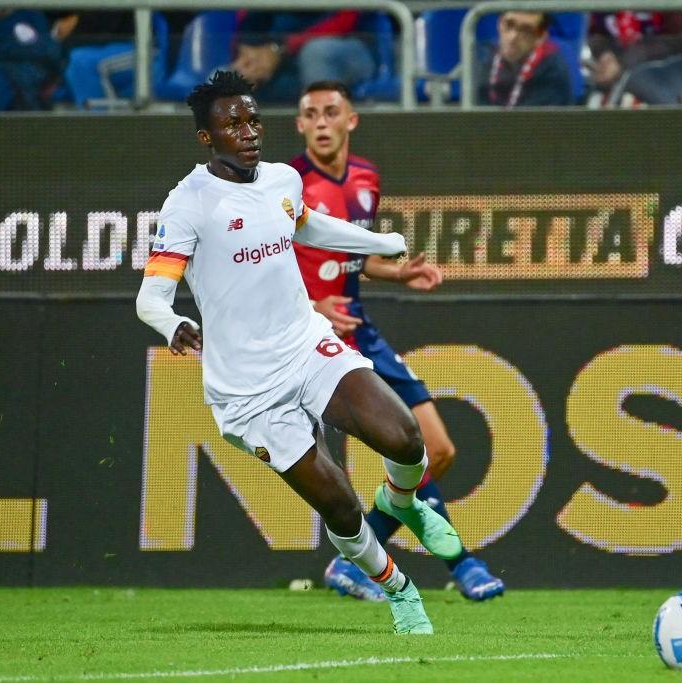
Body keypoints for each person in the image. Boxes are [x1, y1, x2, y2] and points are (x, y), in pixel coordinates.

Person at [136, 70, 462, 635]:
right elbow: (151, 296)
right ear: (206, 138)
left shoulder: (283, 179)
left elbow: (309, 228)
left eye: (253, 119)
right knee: (339, 505)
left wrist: (380, 243)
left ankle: (405, 502)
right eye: (231, 123)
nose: (247, 131)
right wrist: (172, 323)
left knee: (406, 438)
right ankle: (399, 590)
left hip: (307, 346)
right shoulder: (188, 203)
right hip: (248, 392)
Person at [291, 81, 506, 602]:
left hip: (358, 326)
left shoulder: (366, 177)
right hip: (308, 335)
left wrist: (396, 272)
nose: (321, 122)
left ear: (351, 120)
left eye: (330, 112)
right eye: (310, 114)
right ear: (299, 126)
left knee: (438, 449)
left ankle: (356, 562)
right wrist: (311, 307)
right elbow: (262, 260)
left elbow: (349, 255)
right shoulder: (287, 185)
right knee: (390, 449)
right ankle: (462, 563)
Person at [233, 11, 375, 104]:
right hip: (280, 55)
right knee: (223, 78)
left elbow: (346, 21)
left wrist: (280, 49)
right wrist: (249, 56)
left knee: (315, 54)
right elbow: (248, 21)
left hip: (348, 48)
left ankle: (325, 144)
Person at [587, 11, 682, 106]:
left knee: (636, 80)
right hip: (625, 69)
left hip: (681, 63)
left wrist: (621, 64)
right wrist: (605, 55)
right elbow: (597, 32)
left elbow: (676, 39)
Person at [477, 11, 573, 107]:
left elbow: (532, 120)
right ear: (499, 23)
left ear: (541, 36)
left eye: (526, 30)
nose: (512, 37)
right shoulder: (486, 56)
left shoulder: (553, 70)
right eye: (509, 24)